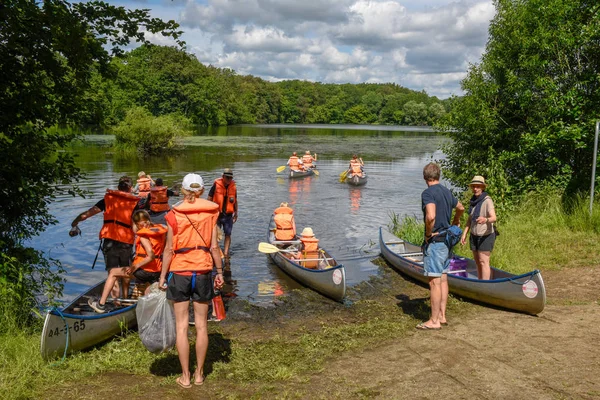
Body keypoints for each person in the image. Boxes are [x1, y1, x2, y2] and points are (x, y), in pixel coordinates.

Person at [159, 173, 224, 389]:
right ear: (202, 191)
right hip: (203, 270)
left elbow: (168, 249)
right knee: (202, 326)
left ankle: (185, 376)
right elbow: (215, 247)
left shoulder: (173, 214)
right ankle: (199, 374)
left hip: (179, 272)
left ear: (184, 191)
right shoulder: (211, 214)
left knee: (181, 327)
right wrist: (220, 271)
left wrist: (162, 276)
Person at [69, 176, 144, 313]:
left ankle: (115, 303)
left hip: (109, 242)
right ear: (130, 188)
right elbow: (138, 225)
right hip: (126, 242)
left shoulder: (107, 200)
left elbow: (87, 214)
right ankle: (124, 300)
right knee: (126, 270)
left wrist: (75, 223)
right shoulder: (135, 203)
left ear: (118, 187)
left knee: (112, 273)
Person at [419, 162, 464, 330]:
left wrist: (428, 234)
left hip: (436, 242)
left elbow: (430, 216)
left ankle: (434, 321)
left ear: (425, 178)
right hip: (447, 242)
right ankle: (442, 316)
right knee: (443, 278)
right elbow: (461, 207)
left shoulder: (428, 193)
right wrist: (456, 221)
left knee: (434, 282)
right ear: (438, 176)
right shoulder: (446, 191)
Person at [460, 176, 497, 280]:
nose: (475, 189)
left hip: (486, 235)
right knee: (477, 262)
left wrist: (485, 220)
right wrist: (464, 234)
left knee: (483, 261)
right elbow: (470, 219)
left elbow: (494, 217)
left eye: (478, 186)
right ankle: (480, 283)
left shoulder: (487, 200)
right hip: (474, 235)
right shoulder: (473, 201)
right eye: (473, 187)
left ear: (482, 187)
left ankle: (485, 286)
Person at [129, 210, 168, 295]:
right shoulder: (160, 233)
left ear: (138, 224)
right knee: (147, 288)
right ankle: (144, 295)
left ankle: (119, 301)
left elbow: (150, 255)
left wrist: (135, 266)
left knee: (114, 273)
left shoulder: (143, 236)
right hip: (158, 269)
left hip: (146, 271)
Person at [207, 168, 238, 260]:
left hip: (228, 215)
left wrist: (236, 213)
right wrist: (208, 212)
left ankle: (226, 254)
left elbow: (235, 201)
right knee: (215, 235)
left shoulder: (233, 186)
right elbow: (209, 198)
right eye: (227, 177)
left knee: (228, 234)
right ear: (223, 177)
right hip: (217, 214)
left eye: (230, 178)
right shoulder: (216, 186)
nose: (229, 179)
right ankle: (215, 251)